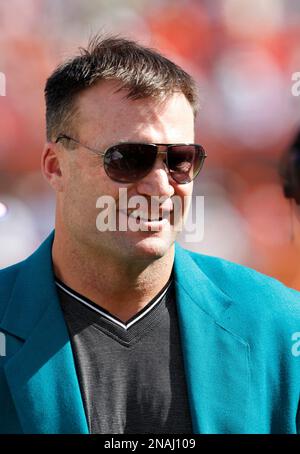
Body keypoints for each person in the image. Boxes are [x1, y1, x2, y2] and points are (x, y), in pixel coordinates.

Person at [1, 35, 300, 435]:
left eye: (180, 160)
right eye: (128, 159)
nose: (160, 186)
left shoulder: (278, 326)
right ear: (56, 167)